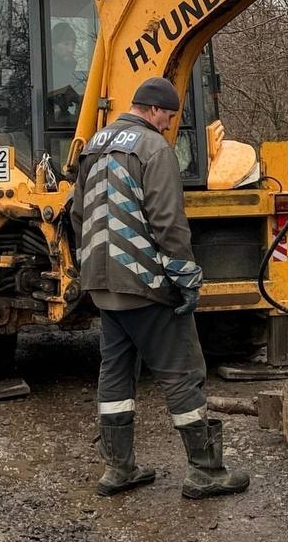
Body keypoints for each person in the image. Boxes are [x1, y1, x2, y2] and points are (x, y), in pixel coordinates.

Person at [70, 76, 250, 500]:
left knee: (115, 373)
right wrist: (185, 278)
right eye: (169, 115)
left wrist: (89, 268)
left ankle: (118, 468)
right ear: (153, 110)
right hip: (144, 284)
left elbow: (77, 213)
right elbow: (168, 221)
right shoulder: (153, 148)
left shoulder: (94, 146)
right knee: (182, 372)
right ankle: (205, 470)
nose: (170, 124)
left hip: (102, 284)